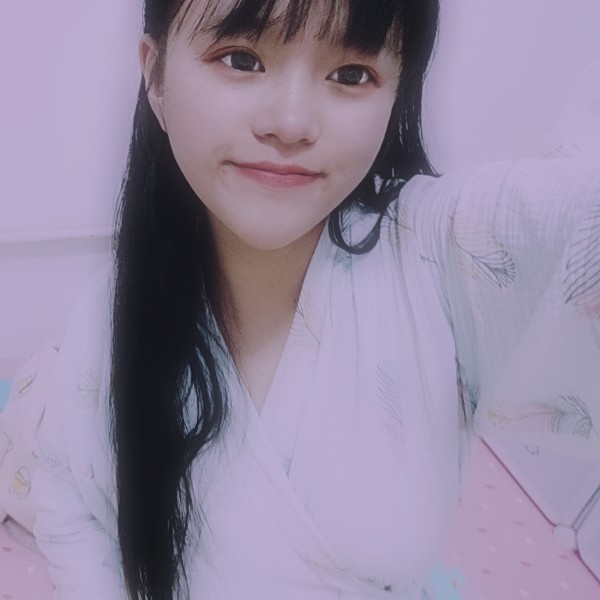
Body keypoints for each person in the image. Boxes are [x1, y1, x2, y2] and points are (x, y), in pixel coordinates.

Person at [30, 0, 600, 599]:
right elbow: (73, 509)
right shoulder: (106, 317)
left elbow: (567, 224)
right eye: (241, 58)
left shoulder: (443, 258)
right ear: (157, 76)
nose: (292, 122)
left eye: (351, 74)